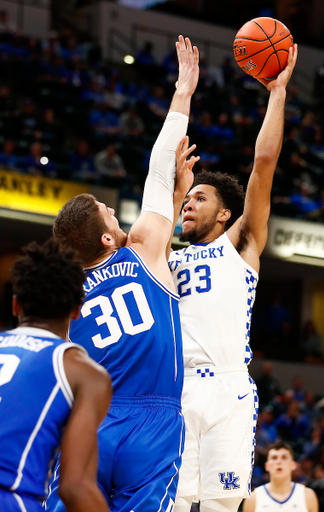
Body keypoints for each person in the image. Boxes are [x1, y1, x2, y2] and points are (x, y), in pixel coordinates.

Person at [45, 35, 200, 512]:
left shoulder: (62, 296)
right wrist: (182, 95)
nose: (113, 208)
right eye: (107, 211)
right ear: (109, 239)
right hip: (152, 418)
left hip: (89, 421)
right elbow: (157, 169)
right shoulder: (141, 250)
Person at [168, 44, 298, 512]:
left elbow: (263, 165)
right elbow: (150, 222)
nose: (188, 204)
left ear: (225, 213)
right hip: (176, 388)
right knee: (175, 503)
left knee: (224, 505)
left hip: (227, 387)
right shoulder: (165, 255)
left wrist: (277, 94)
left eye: (199, 199)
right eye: (188, 198)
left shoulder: (239, 244)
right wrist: (176, 187)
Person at [0, 239, 112, 512]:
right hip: (7, 500)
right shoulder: (83, 371)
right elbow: (75, 487)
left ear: (16, 305)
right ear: (77, 311)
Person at [243, 441, 318, 512]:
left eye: (284, 457)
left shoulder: (308, 496)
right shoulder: (253, 499)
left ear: (293, 465)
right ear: (267, 466)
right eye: (274, 458)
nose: (279, 462)